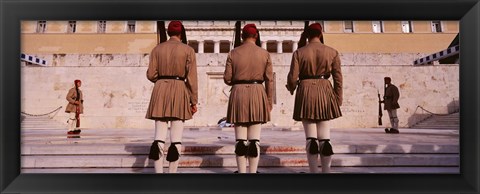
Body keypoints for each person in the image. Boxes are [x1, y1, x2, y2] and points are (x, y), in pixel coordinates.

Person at [286, 23, 343, 173]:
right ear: (321, 33)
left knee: (310, 139)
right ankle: (326, 172)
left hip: (306, 91)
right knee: (325, 138)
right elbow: (338, 78)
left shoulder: (299, 52)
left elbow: (292, 78)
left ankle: (313, 172)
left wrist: (291, 88)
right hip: (325, 90)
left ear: (307, 35)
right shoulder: (332, 52)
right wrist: (338, 98)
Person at [145, 20, 198, 173]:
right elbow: (192, 79)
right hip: (179, 88)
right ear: (181, 33)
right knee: (176, 138)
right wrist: (193, 101)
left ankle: (158, 173)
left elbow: (151, 74)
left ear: (168, 33)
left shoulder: (157, 49)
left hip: (160, 89)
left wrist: (162, 80)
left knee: (159, 137)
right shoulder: (188, 50)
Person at [224, 23, 273, 173]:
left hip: (238, 93)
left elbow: (227, 78)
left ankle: (241, 172)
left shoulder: (233, 53)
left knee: (240, 140)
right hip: (258, 92)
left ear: (241, 36)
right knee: (254, 140)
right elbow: (269, 80)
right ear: (256, 36)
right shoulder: (265, 54)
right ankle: (253, 172)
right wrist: (269, 101)